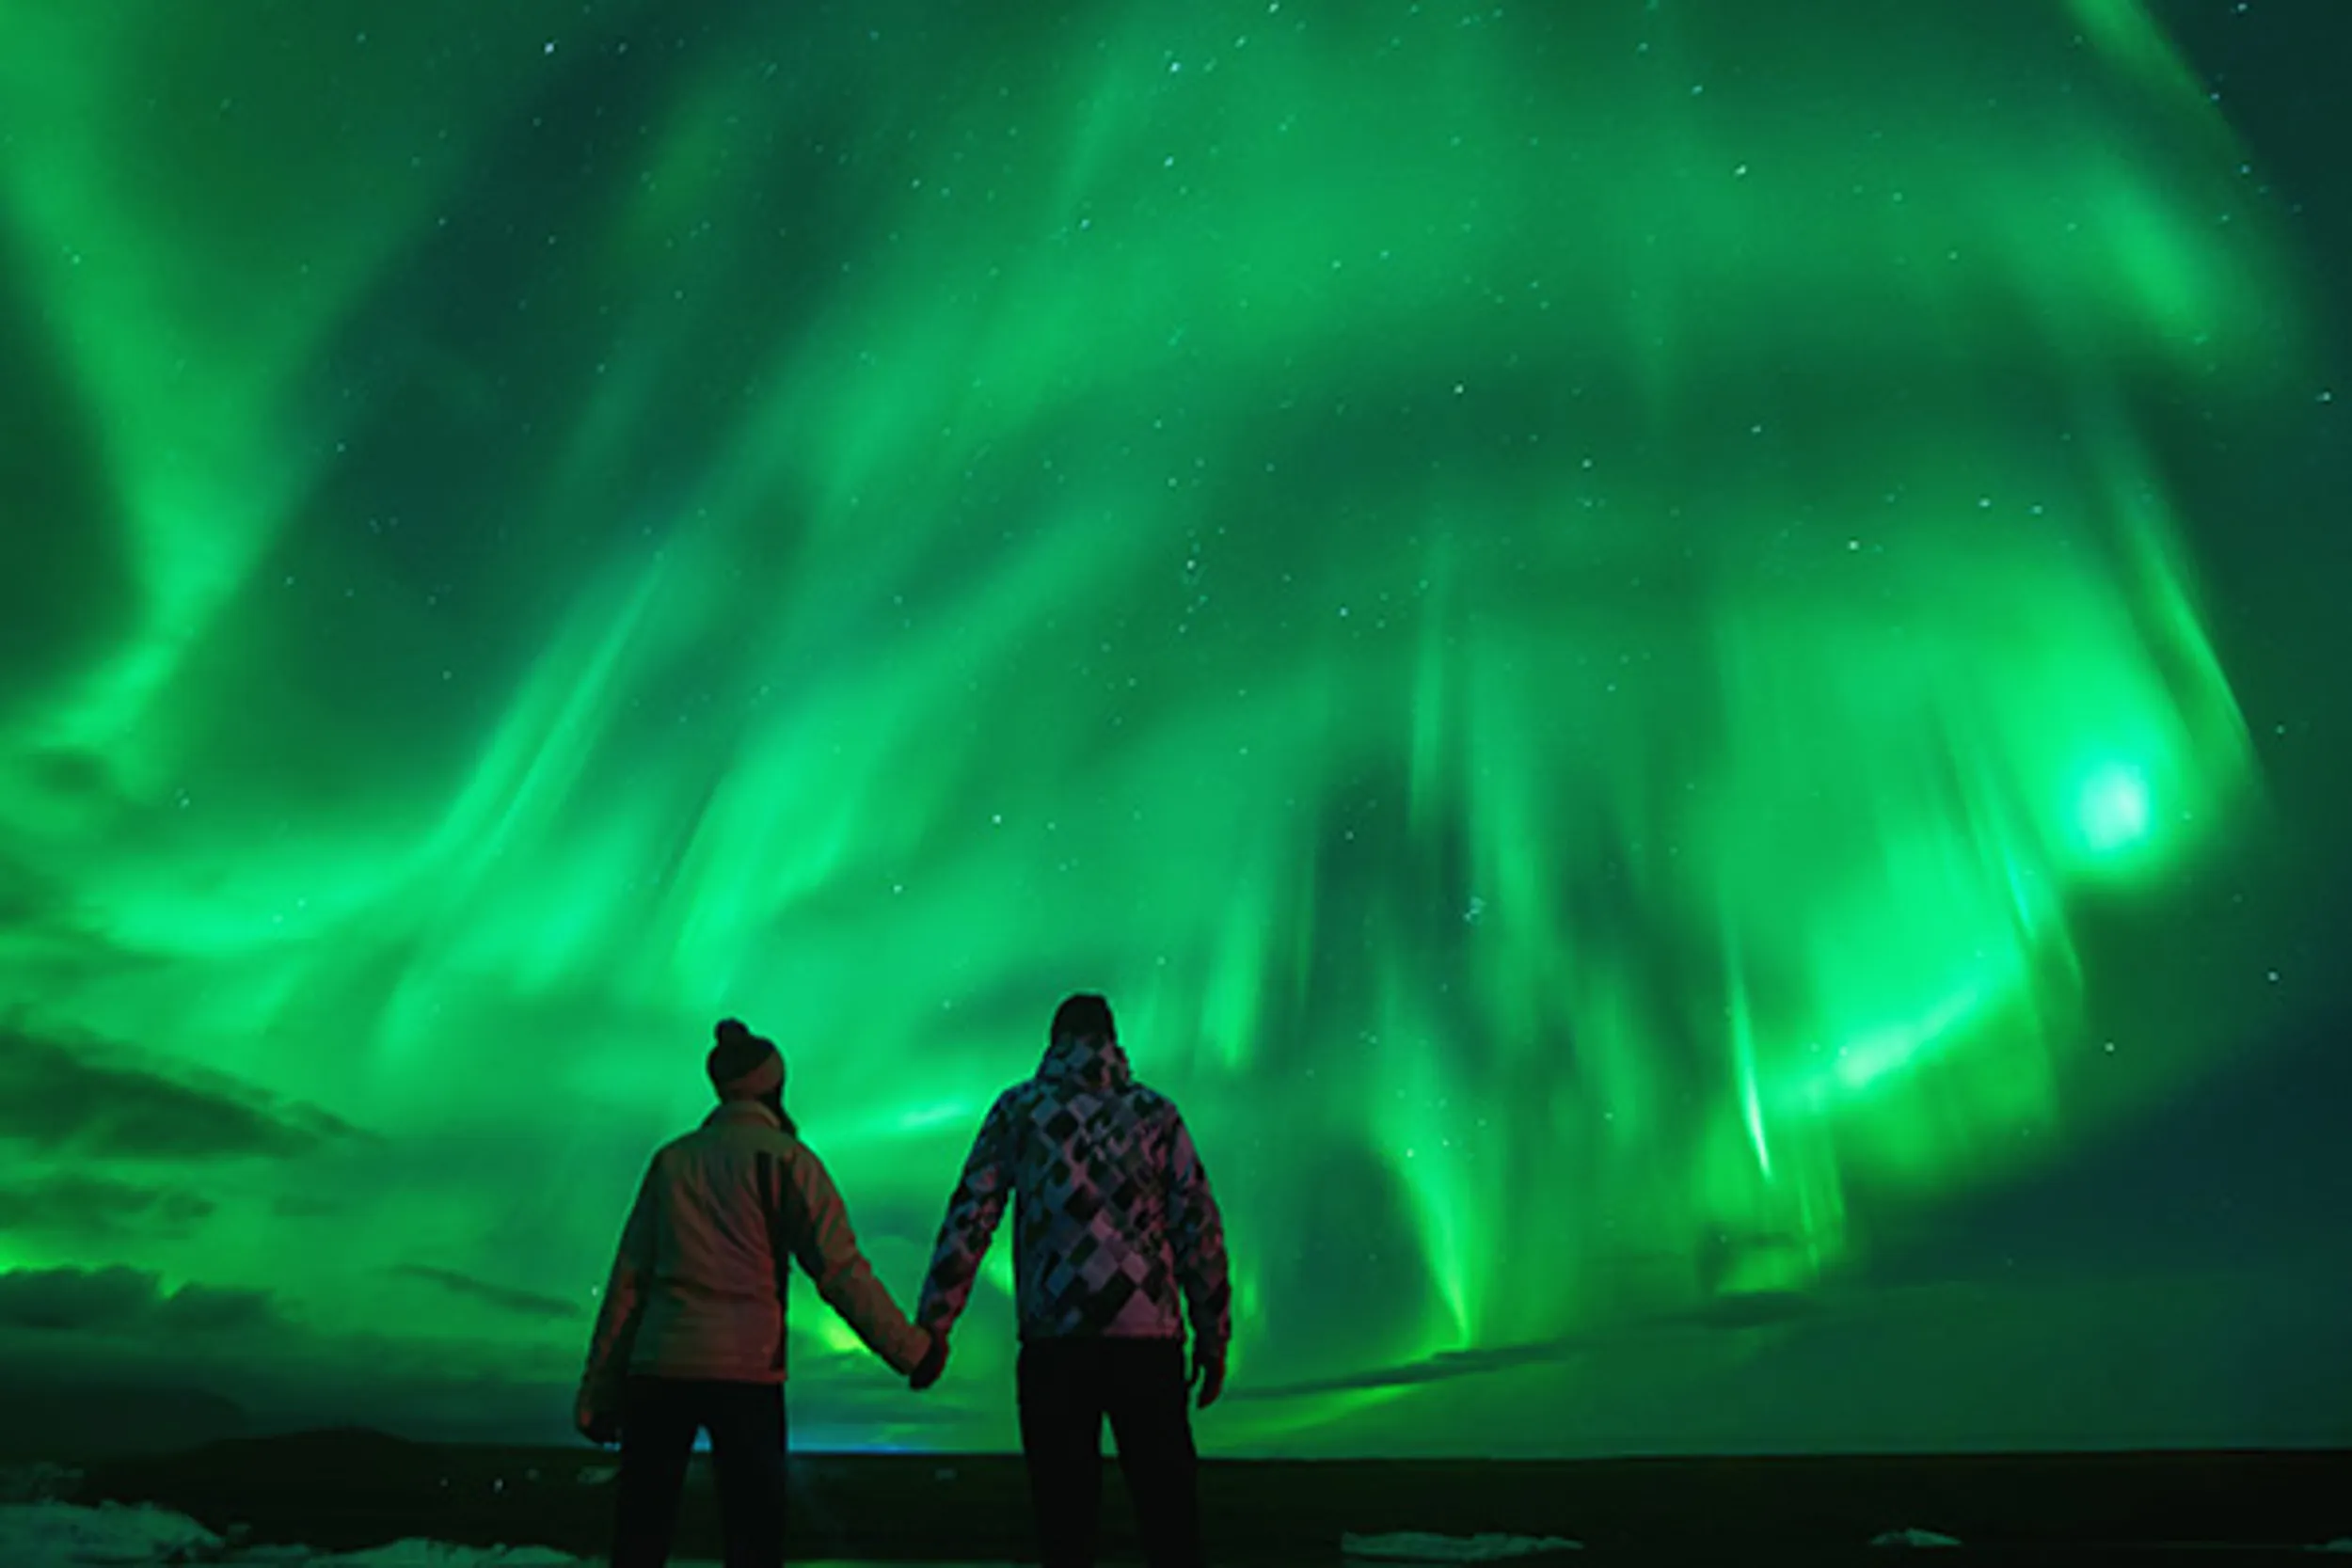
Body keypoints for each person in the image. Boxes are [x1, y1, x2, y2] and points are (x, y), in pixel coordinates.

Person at [577, 1017, 946, 1568]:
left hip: (659, 1368)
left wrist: (599, 1392)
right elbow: (840, 1272)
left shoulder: (672, 1162)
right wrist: (911, 1352)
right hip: (746, 1374)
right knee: (753, 1542)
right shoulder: (788, 1162)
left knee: (640, 1538)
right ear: (775, 1086)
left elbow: (629, 1282)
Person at [913, 991, 1232, 1568]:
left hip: (1055, 1344)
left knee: (1065, 1530)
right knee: (1171, 1523)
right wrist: (1213, 1334)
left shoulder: (1020, 1111)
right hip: (1149, 1345)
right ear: (1113, 1040)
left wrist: (935, 1321)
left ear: (1053, 1041)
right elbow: (1198, 1229)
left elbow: (972, 1216)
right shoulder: (1156, 1115)